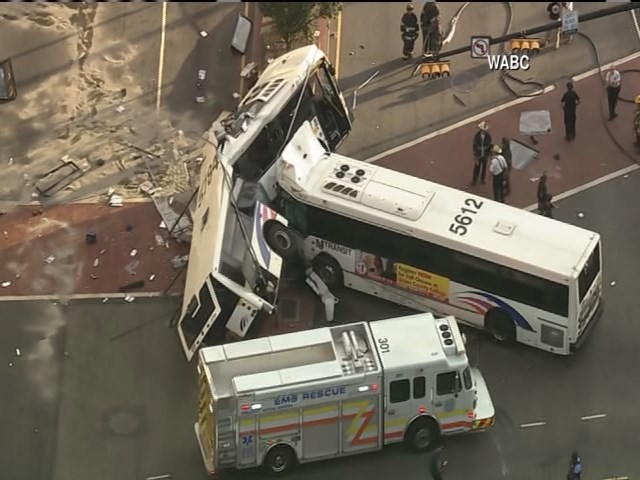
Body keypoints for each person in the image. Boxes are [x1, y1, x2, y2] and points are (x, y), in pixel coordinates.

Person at [472, 121, 492, 185]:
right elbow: (474, 146)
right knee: (477, 168)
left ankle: (482, 179)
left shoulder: (488, 136)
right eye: (484, 130)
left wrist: (488, 154)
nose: (485, 131)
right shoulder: (477, 136)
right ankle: (474, 180)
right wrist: (475, 156)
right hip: (479, 155)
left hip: (485, 155)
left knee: (484, 168)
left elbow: (489, 145)